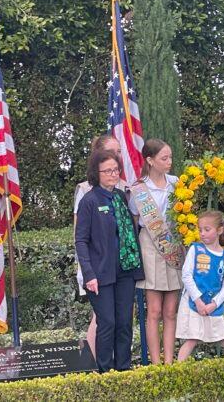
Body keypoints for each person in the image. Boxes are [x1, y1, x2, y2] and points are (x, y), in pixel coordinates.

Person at [75, 149, 144, 372]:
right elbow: (81, 241)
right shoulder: (89, 201)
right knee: (108, 324)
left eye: (116, 170)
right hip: (101, 274)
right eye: (108, 171)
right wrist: (89, 274)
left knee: (124, 323)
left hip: (125, 270)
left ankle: (123, 369)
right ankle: (106, 371)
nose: (113, 174)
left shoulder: (120, 197)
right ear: (96, 172)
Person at [128, 139, 182, 364]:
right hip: (150, 247)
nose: (169, 162)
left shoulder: (177, 183)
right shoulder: (138, 189)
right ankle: (156, 363)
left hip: (174, 246)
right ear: (150, 161)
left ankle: (169, 361)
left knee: (171, 311)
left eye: (170, 157)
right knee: (154, 311)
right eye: (164, 158)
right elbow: (135, 220)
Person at [73, 134, 123, 358]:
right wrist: (88, 271)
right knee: (105, 320)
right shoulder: (87, 193)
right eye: (113, 152)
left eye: (118, 155)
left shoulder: (122, 192)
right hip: (96, 268)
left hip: (119, 269)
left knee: (118, 322)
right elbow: (81, 237)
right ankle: (97, 366)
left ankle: (119, 366)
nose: (117, 159)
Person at [176, 210, 224, 361]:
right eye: (200, 230)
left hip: (212, 306)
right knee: (191, 340)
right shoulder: (195, 249)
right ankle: (176, 373)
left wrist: (214, 303)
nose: (202, 234)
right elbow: (186, 275)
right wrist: (198, 301)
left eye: (207, 229)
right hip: (193, 303)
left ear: (219, 230)